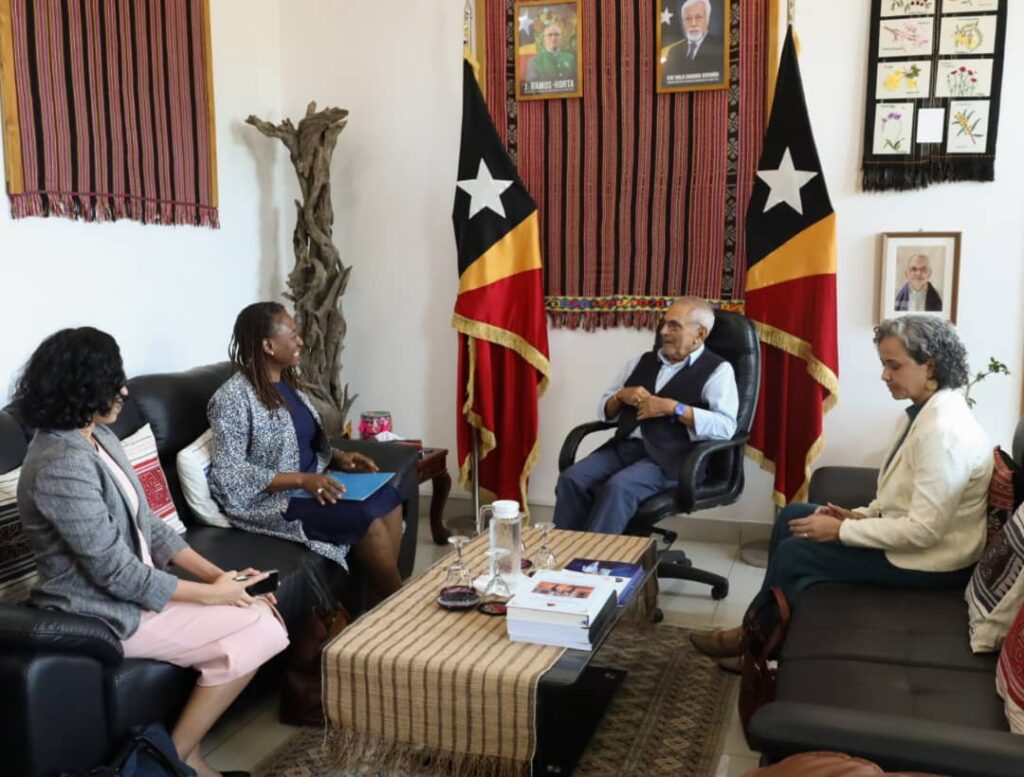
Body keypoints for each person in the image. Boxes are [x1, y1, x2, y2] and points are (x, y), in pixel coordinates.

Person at [15, 327, 285, 777]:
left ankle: (180, 756)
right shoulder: (59, 464)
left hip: (136, 594)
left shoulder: (97, 438)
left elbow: (151, 526)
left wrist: (222, 578)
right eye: (112, 381)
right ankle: (175, 759)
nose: (123, 390)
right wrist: (213, 595)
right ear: (78, 388)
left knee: (258, 613)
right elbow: (115, 574)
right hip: (101, 611)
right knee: (261, 628)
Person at [691, 315, 992, 667]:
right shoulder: (919, 414)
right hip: (914, 543)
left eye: (894, 365)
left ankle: (754, 642)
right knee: (792, 516)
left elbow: (924, 531)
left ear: (931, 366)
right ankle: (762, 631)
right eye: (883, 364)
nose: (884, 375)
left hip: (933, 562)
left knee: (797, 554)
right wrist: (857, 516)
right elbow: (899, 500)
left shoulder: (944, 432)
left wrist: (841, 530)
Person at [207, 302, 404, 604]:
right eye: (293, 335)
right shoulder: (231, 399)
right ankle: (400, 605)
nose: (300, 341)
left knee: (389, 498)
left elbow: (299, 441)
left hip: (312, 484)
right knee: (366, 518)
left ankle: (379, 605)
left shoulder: (288, 384)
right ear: (269, 346)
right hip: (272, 501)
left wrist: (337, 457)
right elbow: (228, 475)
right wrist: (301, 480)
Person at [553, 296, 738, 535]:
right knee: (572, 478)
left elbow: (726, 427)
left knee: (619, 488)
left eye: (674, 326)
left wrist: (674, 408)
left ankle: (593, 557)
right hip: (624, 448)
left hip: (673, 458)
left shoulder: (718, 371)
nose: (663, 331)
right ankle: (564, 551)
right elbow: (604, 411)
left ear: (699, 334)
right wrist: (620, 396)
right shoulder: (641, 362)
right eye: (664, 324)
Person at [662, 0, 725, 82]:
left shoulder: (719, 47)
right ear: (683, 23)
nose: (693, 23)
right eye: (688, 18)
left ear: (707, 20)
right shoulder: (674, 51)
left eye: (699, 17)